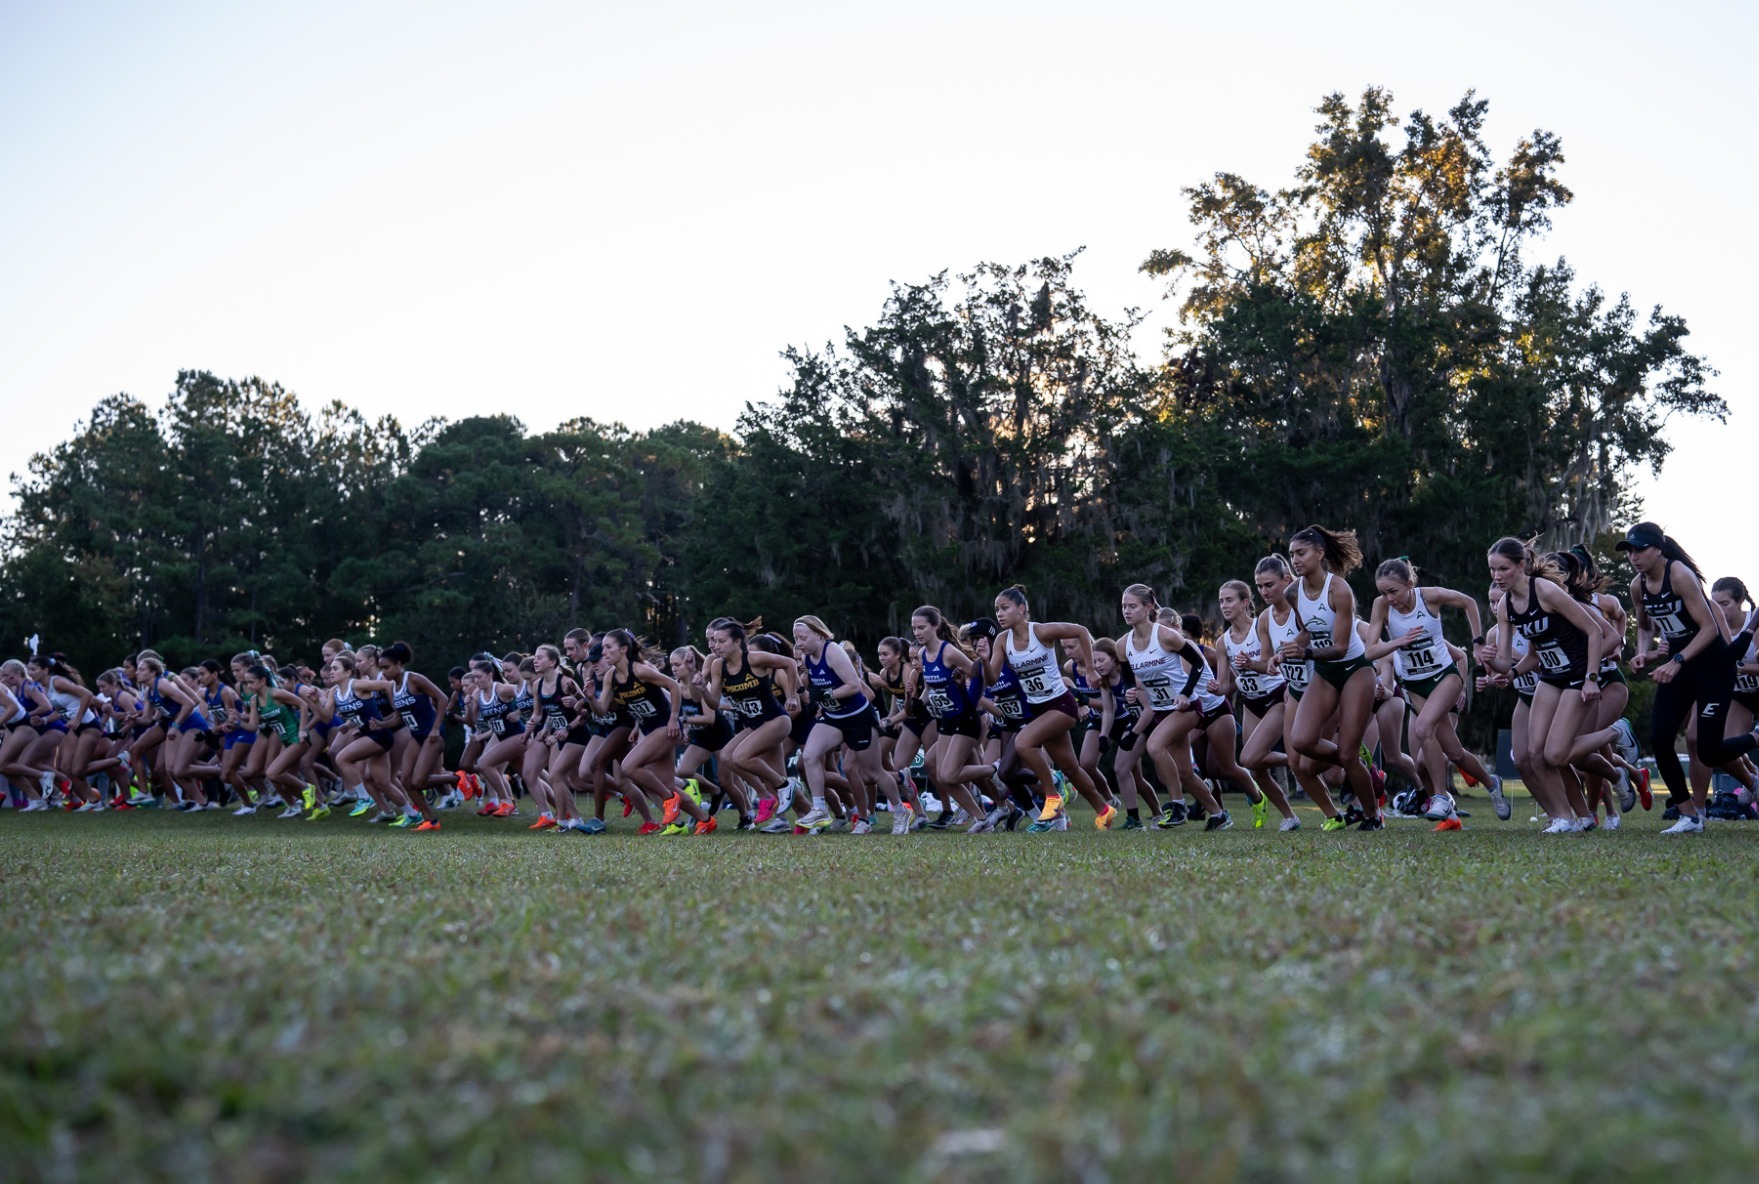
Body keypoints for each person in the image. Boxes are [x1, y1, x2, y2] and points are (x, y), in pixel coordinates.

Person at [1622, 522, 1759, 832]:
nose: (1634, 556)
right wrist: (1644, 651)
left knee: (1709, 751)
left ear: (1658, 549)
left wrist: (1678, 659)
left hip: (1712, 667)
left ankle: (1756, 738)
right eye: (1630, 550)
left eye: (1641, 549)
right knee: (1660, 738)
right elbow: (1645, 627)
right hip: (1681, 667)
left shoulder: (1680, 575)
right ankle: (1689, 816)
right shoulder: (1637, 586)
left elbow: (1710, 628)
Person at [1364, 559, 1507, 828]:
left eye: (1393, 591)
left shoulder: (1429, 597)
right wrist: (1399, 642)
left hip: (1444, 676)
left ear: (1409, 584)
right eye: (1383, 592)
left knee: (1423, 728)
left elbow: (1469, 602)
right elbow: (1370, 651)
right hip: (1414, 685)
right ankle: (1491, 783)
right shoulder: (1380, 606)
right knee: (1454, 752)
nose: (1388, 598)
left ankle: (1441, 798)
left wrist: (1477, 643)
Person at [1478, 538, 1605, 833]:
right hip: (1551, 676)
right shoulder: (1506, 607)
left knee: (1556, 754)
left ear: (1521, 566)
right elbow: (1509, 662)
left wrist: (1592, 678)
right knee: (1534, 753)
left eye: (1503, 569)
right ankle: (1563, 818)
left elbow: (1594, 631)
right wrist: (1494, 663)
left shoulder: (1545, 590)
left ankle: (1617, 731)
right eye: (1493, 570)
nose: (1497, 576)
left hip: (1577, 673)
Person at [984, 586, 1113, 831]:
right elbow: (991, 680)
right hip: (1038, 709)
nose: (999, 614)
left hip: (1061, 705)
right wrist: (982, 659)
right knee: (1071, 768)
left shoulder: (1041, 631)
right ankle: (1104, 810)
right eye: (996, 610)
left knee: (1023, 743)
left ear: (1021, 610)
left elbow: (1081, 631)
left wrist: (1093, 669)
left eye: (1004, 608)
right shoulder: (1002, 640)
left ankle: (1052, 796)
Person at [1283, 527, 1384, 831]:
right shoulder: (1293, 592)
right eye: (1291, 555)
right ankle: (1357, 764)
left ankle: (1371, 816)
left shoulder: (1338, 589)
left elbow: (1340, 647)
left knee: (1346, 753)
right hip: (1326, 672)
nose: (1295, 560)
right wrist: (1287, 649)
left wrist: (1306, 654)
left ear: (1320, 554)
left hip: (1355, 669)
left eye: (1301, 553)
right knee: (1301, 742)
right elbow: (1306, 630)